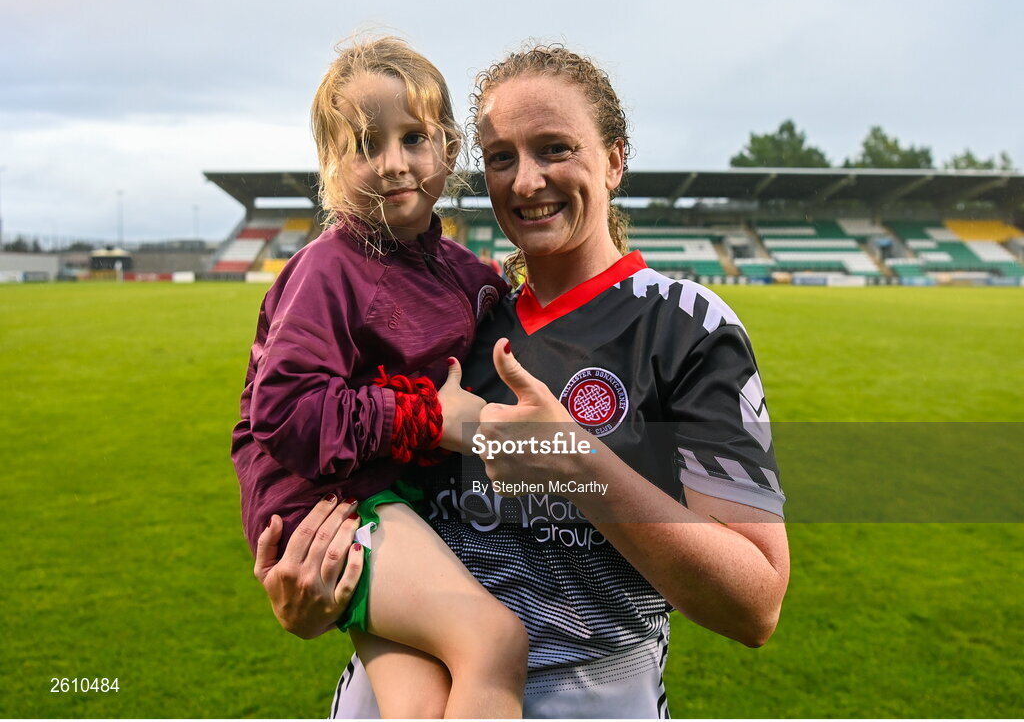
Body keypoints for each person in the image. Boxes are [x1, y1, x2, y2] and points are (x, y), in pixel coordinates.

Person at [253, 43, 790, 719]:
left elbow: (757, 603)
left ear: (616, 159)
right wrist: (312, 594)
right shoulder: (464, 317)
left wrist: (578, 464)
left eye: (555, 149)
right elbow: (339, 463)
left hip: (590, 692)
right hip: (398, 691)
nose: (527, 181)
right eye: (503, 157)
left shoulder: (684, 326)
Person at [232, 36, 527, 718]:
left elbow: (494, 311)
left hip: (380, 495)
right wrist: (427, 418)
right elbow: (285, 411)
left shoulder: (460, 271)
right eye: (365, 145)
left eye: (414, 138)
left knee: (420, 700)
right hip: (332, 503)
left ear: (449, 149)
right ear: (332, 165)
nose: (393, 163)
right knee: (495, 642)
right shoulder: (327, 267)